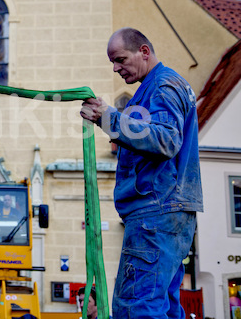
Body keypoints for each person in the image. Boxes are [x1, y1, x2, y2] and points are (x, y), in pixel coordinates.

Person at [80, 27, 203, 318]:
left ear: (144, 52)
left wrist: (107, 118)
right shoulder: (159, 87)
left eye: (120, 59)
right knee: (163, 305)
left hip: (156, 212)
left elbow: (165, 140)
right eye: (113, 61)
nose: (115, 68)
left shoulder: (163, 86)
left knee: (138, 306)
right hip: (167, 212)